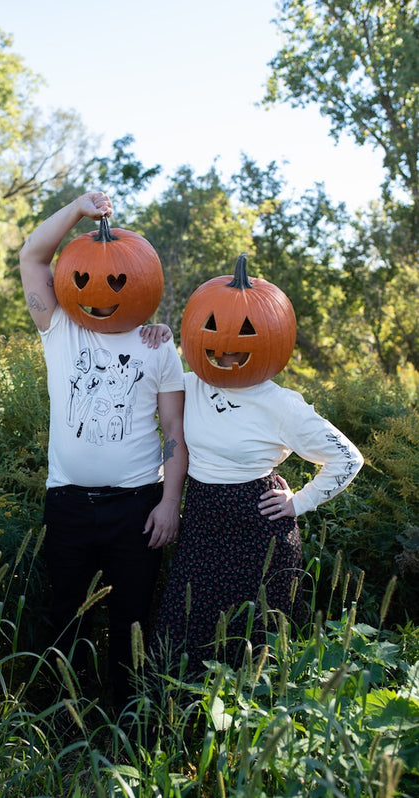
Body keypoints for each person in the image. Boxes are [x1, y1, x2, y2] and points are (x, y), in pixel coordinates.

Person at [19, 191, 188, 709]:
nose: (101, 291)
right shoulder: (60, 329)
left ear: (139, 283)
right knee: (65, 614)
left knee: (132, 619)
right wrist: (76, 210)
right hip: (68, 502)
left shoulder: (159, 347)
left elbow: (175, 434)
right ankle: (61, 719)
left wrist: (169, 502)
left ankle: (128, 720)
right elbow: (31, 256)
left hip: (137, 505)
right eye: (89, 280)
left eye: (117, 280)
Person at [148, 329, 364, 676]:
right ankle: (177, 723)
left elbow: (348, 458)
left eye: (235, 349)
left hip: (257, 534)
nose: (222, 358)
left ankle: (242, 723)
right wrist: (158, 334)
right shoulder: (192, 385)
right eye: (214, 349)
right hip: (201, 527)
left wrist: (300, 501)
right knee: (183, 630)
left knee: (249, 642)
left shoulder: (281, 404)